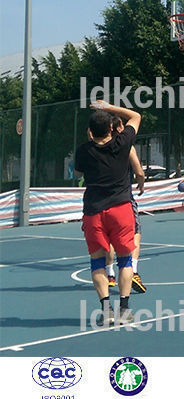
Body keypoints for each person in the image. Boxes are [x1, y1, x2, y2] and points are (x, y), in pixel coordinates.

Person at [74, 100, 141, 326]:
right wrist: (108, 107)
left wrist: (91, 141)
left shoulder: (84, 150)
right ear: (112, 128)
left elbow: (77, 173)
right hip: (121, 210)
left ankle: (107, 310)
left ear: (90, 132)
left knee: (97, 262)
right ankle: (124, 308)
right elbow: (136, 116)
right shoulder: (122, 143)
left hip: (94, 212)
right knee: (125, 259)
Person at [105, 116, 147, 294]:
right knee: (135, 232)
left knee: (108, 238)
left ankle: (110, 275)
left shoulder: (98, 146)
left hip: (100, 201)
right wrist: (141, 183)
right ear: (119, 128)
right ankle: (134, 271)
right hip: (122, 199)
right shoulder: (126, 146)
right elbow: (139, 172)